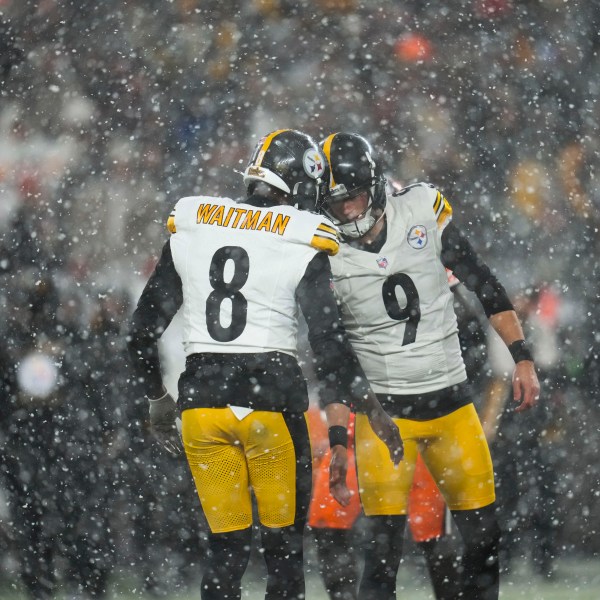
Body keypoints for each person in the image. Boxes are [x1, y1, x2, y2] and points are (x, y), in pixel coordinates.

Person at [127, 129, 403, 600]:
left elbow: (140, 333)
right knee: (283, 557)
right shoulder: (302, 237)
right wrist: (370, 410)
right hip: (269, 404)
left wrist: (157, 400)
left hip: (202, 408)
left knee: (224, 552)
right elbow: (329, 345)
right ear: (302, 186)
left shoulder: (195, 221)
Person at [316, 131, 540, 600]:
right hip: (384, 417)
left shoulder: (421, 209)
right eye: (337, 203)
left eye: (354, 197)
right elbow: (330, 356)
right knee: (382, 556)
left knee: (483, 541)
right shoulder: (319, 246)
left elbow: (483, 281)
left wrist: (522, 356)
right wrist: (339, 437)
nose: (350, 211)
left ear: (375, 186)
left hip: (451, 403)